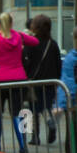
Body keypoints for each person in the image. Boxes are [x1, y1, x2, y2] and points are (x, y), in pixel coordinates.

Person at [0, 11, 38, 153]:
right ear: (11, 23)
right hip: (18, 79)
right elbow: (35, 42)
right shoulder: (19, 36)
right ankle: (23, 145)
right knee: (19, 112)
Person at [23, 13, 60, 144]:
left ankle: (35, 137)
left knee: (33, 109)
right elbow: (57, 63)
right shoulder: (53, 44)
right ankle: (51, 123)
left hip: (35, 81)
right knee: (46, 106)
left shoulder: (31, 43)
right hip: (50, 82)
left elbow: (26, 62)